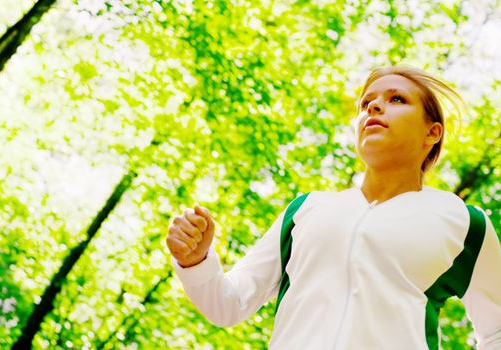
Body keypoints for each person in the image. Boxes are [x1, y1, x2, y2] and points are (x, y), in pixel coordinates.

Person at [166, 66, 501, 349]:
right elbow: (230, 304)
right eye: (366, 103)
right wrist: (196, 261)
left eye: (396, 99)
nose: (374, 108)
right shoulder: (305, 210)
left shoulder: (462, 222)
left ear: (432, 132)